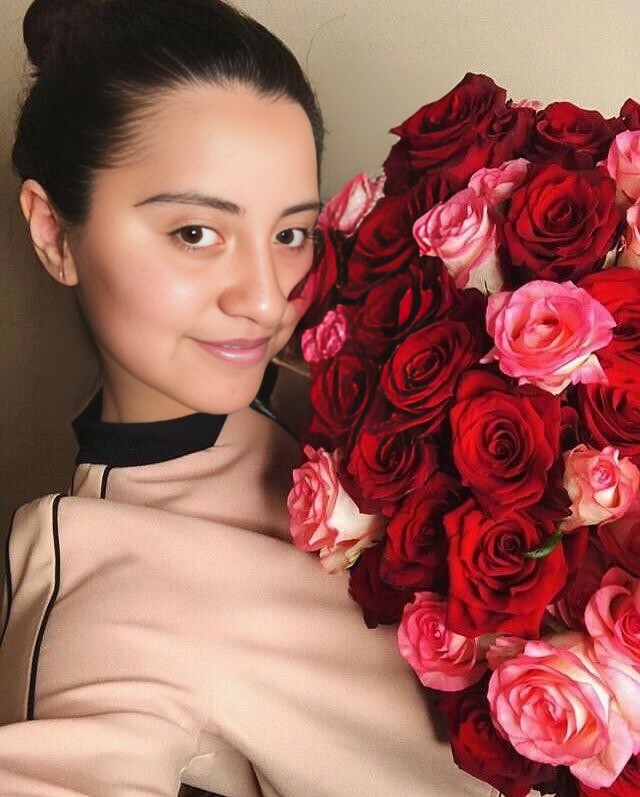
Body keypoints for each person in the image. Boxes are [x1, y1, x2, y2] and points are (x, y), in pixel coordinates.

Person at [0, 1, 494, 795]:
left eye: (290, 233)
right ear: (55, 233)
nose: (266, 300)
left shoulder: (368, 380)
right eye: (196, 232)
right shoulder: (108, 602)